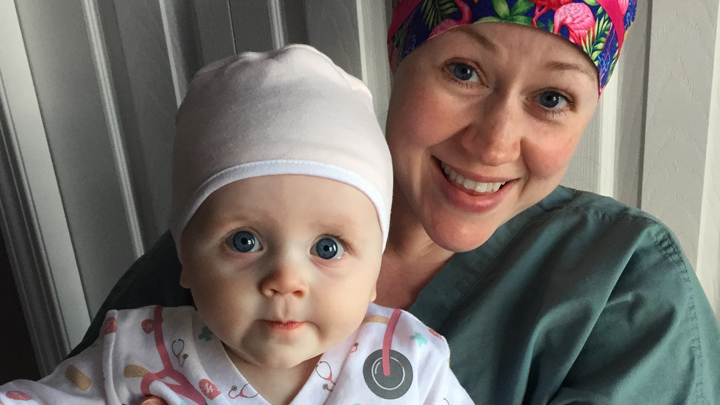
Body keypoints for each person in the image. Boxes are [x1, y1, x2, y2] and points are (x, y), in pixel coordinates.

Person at [76, 1, 720, 404]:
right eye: (464, 72)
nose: (493, 142)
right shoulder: (232, 231)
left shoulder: (630, 287)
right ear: (401, 58)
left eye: (551, 99)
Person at [0, 46, 472, 404]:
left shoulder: (410, 363)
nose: (285, 280)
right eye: (243, 241)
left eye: (327, 247)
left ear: (374, 269)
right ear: (185, 256)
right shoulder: (131, 354)